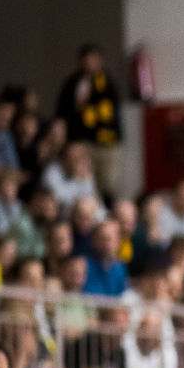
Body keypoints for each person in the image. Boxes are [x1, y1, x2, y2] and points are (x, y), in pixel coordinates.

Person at [53, 44, 121, 198]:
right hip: (83, 140)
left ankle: (106, 208)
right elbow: (63, 112)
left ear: (99, 60)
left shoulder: (108, 81)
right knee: (88, 180)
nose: (89, 64)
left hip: (107, 141)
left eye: (93, 60)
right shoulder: (73, 83)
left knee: (108, 181)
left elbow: (113, 111)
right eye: (86, 60)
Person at [82, 220, 128, 297]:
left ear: (118, 242)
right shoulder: (84, 266)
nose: (106, 244)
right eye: (102, 238)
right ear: (94, 240)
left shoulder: (120, 268)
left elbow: (121, 296)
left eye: (109, 239)